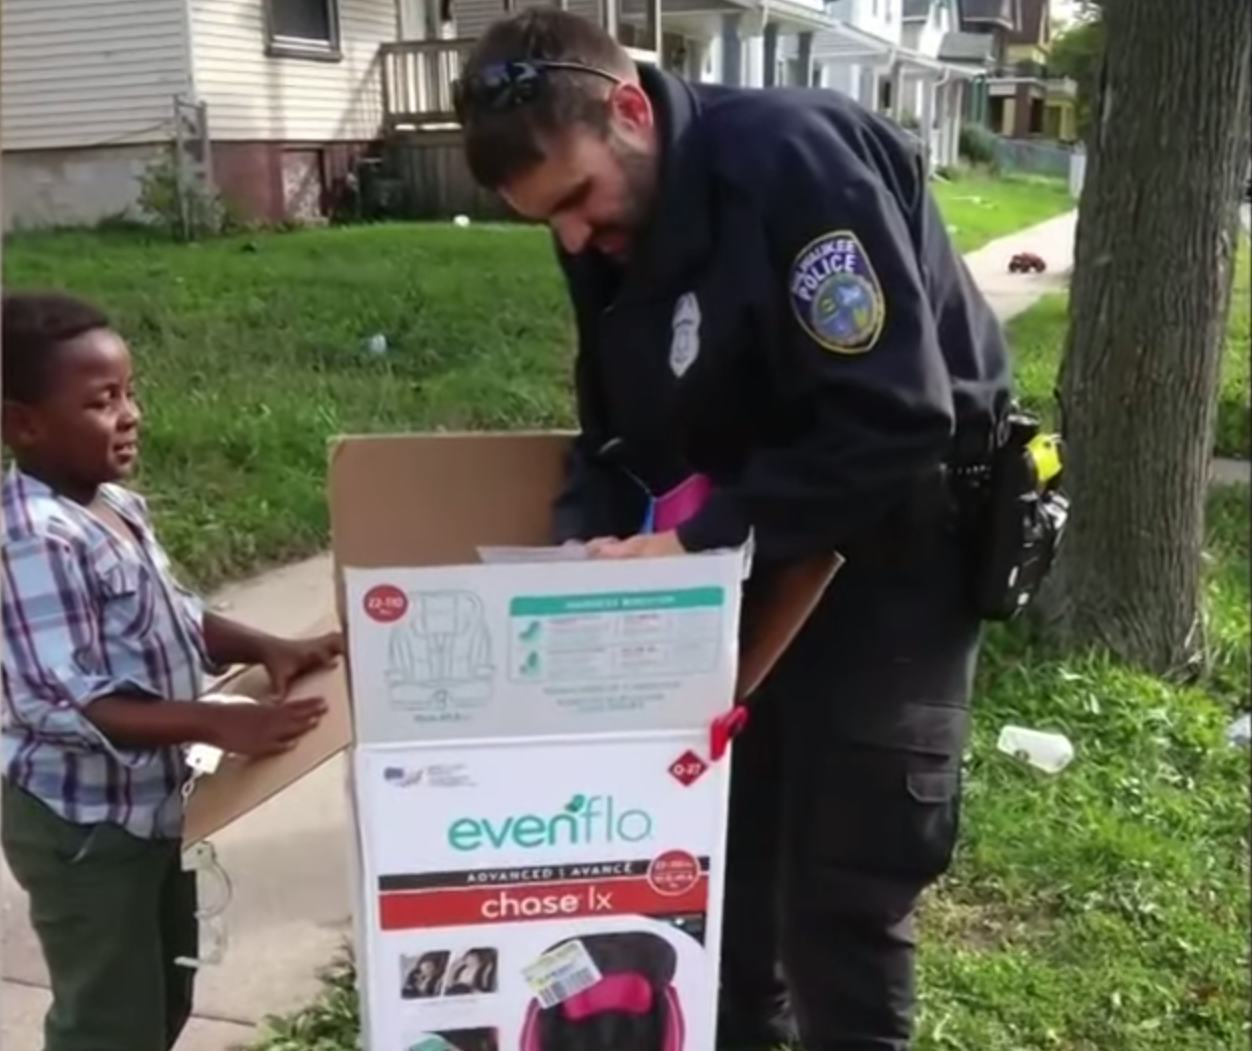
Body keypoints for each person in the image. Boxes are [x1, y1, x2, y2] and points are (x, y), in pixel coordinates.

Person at [452, 11, 1013, 1051]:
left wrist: (703, 538)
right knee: (716, 871)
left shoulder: (791, 161)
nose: (575, 238)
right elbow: (614, 428)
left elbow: (896, 418)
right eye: (549, 222)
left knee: (839, 896)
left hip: (896, 555)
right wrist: (587, 550)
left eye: (577, 199)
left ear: (629, 108)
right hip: (740, 561)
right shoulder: (605, 226)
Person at [1, 292, 342, 1051]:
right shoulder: (33, 537)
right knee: (106, 1018)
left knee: (164, 991)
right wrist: (218, 720)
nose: (130, 415)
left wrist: (268, 647)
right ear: (24, 422)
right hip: (81, 823)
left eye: (128, 392)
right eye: (101, 401)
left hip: (150, 806)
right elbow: (66, 699)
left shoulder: (114, 505)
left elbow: (180, 614)